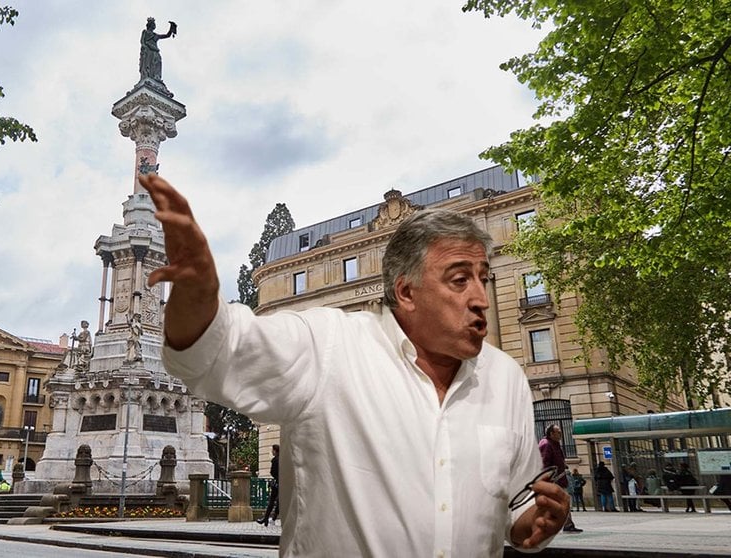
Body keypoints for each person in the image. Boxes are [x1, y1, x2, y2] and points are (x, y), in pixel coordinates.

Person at [139, 173, 569, 557]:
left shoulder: (507, 379)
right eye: (460, 280)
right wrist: (197, 297)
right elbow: (219, 350)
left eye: (484, 277)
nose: (479, 297)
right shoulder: (330, 346)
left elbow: (518, 502)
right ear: (405, 292)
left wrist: (535, 524)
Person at [539, 425, 582, 532]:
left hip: (560, 480)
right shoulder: (546, 444)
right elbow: (544, 464)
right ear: (551, 433)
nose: (561, 434)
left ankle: (567, 524)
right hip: (553, 481)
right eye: (558, 432)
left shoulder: (555, 444)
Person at [138, 17, 176, 82]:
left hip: (155, 51)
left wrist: (172, 28)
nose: (154, 25)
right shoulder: (145, 32)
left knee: (158, 62)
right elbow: (142, 42)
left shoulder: (155, 35)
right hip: (148, 51)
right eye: (153, 24)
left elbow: (167, 35)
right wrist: (145, 48)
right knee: (148, 66)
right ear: (150, 25)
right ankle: (147, 76)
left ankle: (156, 77)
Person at [257, 445, 280, 527]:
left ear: (275, 451)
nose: (272, 452)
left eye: (272, 450)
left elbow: (272, 472)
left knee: (271, 502)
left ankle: (266, 519)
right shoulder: (283, 459)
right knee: (279, 502)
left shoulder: (275, 460)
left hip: (277, 483)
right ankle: (272, 519)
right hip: (284, 483)